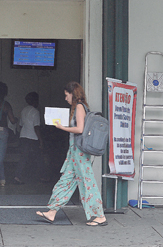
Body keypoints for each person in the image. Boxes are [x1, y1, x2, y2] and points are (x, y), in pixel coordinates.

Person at [36, 82, 107, 227]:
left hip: (79, 153)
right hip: (74, 152)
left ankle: (99, 215)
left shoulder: (79, 107)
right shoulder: (79, 107)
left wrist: (63, 127)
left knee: (87, 182)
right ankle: (52, 211)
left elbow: (80, 129)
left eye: (66, 95)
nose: (65, 98)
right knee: (66, 180)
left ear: (72, 94)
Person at [13, 92, 44, 185]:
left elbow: (21, 125)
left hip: (23, 136)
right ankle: (42, 176)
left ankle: (17, 176)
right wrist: (41, 140)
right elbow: (36, 127)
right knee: (39, 157)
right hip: (33, 137)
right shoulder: (35, 112)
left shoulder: (24, 110)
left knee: (23, 157)